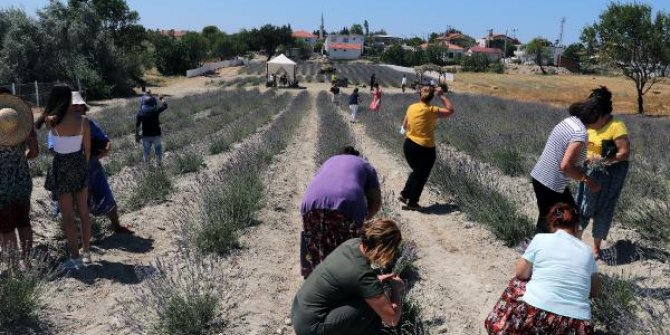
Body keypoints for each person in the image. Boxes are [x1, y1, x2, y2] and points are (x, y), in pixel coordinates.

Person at [485, 203, 600, 334]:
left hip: (537, 315)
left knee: (518, 283)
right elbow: (595, 292)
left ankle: (500, 326)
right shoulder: (587, 251)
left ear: (552, 223)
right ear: (576, 226)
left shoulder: (541, 239)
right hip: (577, 324)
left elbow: (521, 273)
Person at [292, 218, 404, 335]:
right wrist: (396, 290)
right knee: (372, 307)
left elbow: (349, 279)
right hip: (310, 329)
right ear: (383, 248)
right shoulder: (362, 275)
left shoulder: (352, 244)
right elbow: (392, 320)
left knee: (372, 295)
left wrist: (376, 281)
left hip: (299, 310)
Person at [49, 92, 133, 234]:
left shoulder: (90, 123)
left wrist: (105, 150)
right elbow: (52, 149)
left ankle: (116, 226)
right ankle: (77, 237)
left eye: (80, 106)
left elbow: (106, 141)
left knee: (107, 197)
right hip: (70, 171)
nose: (77, 108)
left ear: (84, 108)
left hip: (93, 168)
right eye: (73, 106)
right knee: (74, 205)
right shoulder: (59, 125)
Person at [530, 90, 609, 234]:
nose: (606, 122)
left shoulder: (570, 121)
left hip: (541, 177)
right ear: (598, 116)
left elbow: (562, 153)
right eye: (606, 118)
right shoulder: (580, 133)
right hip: (551, 183)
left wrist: (587, 160)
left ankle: (536, 248)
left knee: (551, 217)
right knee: (562, 219)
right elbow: (566, 166)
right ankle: (533, 251)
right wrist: (588, 181)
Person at [300, 146, 382, 278]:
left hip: (310, 202)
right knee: (347, 248)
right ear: (357, 156)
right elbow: (376, 203)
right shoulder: (365, 165)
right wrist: (365, 221)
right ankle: (345, 280)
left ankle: (310, 271)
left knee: (315, 237)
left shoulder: (329, 161)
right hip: (347, 204)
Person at [37, 84, 92, 269]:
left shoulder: (50, 120)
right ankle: (87, 253)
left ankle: (75, 256)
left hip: (61, 166)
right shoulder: (83, 120)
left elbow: (53, 143)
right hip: (79, 164)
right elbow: (87, 150)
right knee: (84, 212)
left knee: (68, 216)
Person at [577, 87, 630, 259]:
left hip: (610, 175)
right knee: (583, 207)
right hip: (589, 172)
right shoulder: (590, 125)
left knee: (604, 210)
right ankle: (575, 243)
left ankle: (596, 249)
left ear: (603, 115)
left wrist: (602, 161)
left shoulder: (617, 126)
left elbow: (624, 153)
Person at [398, 85, 455, 211]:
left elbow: (406, 123)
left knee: (417, 172)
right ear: (431, 97)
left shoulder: (411, 107)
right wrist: (441, 95)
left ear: (419, 95)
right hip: (425, 148)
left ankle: (405, 194)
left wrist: (403, 131)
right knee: (421, 176)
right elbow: (450, 110)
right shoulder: (432, 110)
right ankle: (412, 203)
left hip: (408, 145)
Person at [0, 91, 38, 259]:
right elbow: (35, 152)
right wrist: (21, 159)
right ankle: (28, 260)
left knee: (5, 226)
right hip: (22, 178)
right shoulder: (24, 125)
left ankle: (14, 265)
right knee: (24, 220)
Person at [135, 92, 168, 165]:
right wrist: (162, 99)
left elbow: (137, 126)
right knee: (158, 149)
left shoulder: (140, 112)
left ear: (144, 103)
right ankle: (159, 164)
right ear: (152, 103)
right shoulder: (156, 109)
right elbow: (165, 106)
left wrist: (137, 135)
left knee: (146, 151)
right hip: (156, 134)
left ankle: (146, 166)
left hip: (146, 135)